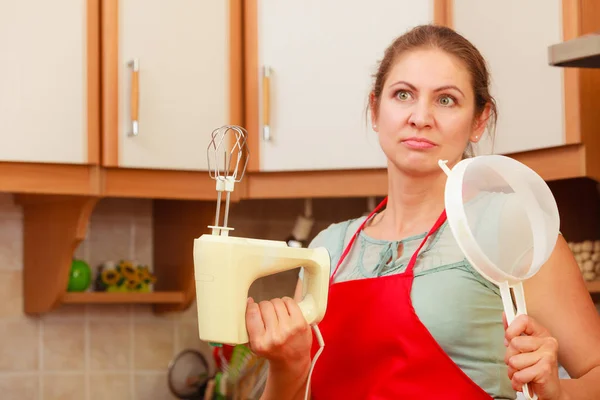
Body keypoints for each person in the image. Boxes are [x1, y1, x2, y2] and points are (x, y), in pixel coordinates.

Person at [244, 24, 600, 399]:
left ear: (479, 120)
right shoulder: (326, 249)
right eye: (403, 95)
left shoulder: (509, 228)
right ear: (375, 110)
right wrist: (286, 366)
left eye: (446, 100)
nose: (420, 116)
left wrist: (556, 391)